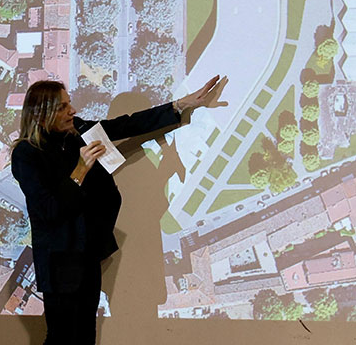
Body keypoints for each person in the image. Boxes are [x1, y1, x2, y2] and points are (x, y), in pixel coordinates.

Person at [11, 76, 224, 344]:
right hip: (60, 261)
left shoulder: (76, 132)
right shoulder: (26, 154)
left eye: (69, 104)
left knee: (86, 336)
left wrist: (180, 105)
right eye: (63, 107)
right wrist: (80, 170)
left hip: (87, 255)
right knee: (61, 338)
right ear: (42, 115)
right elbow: (49, 210)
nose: (72, 111)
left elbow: (127, 124)